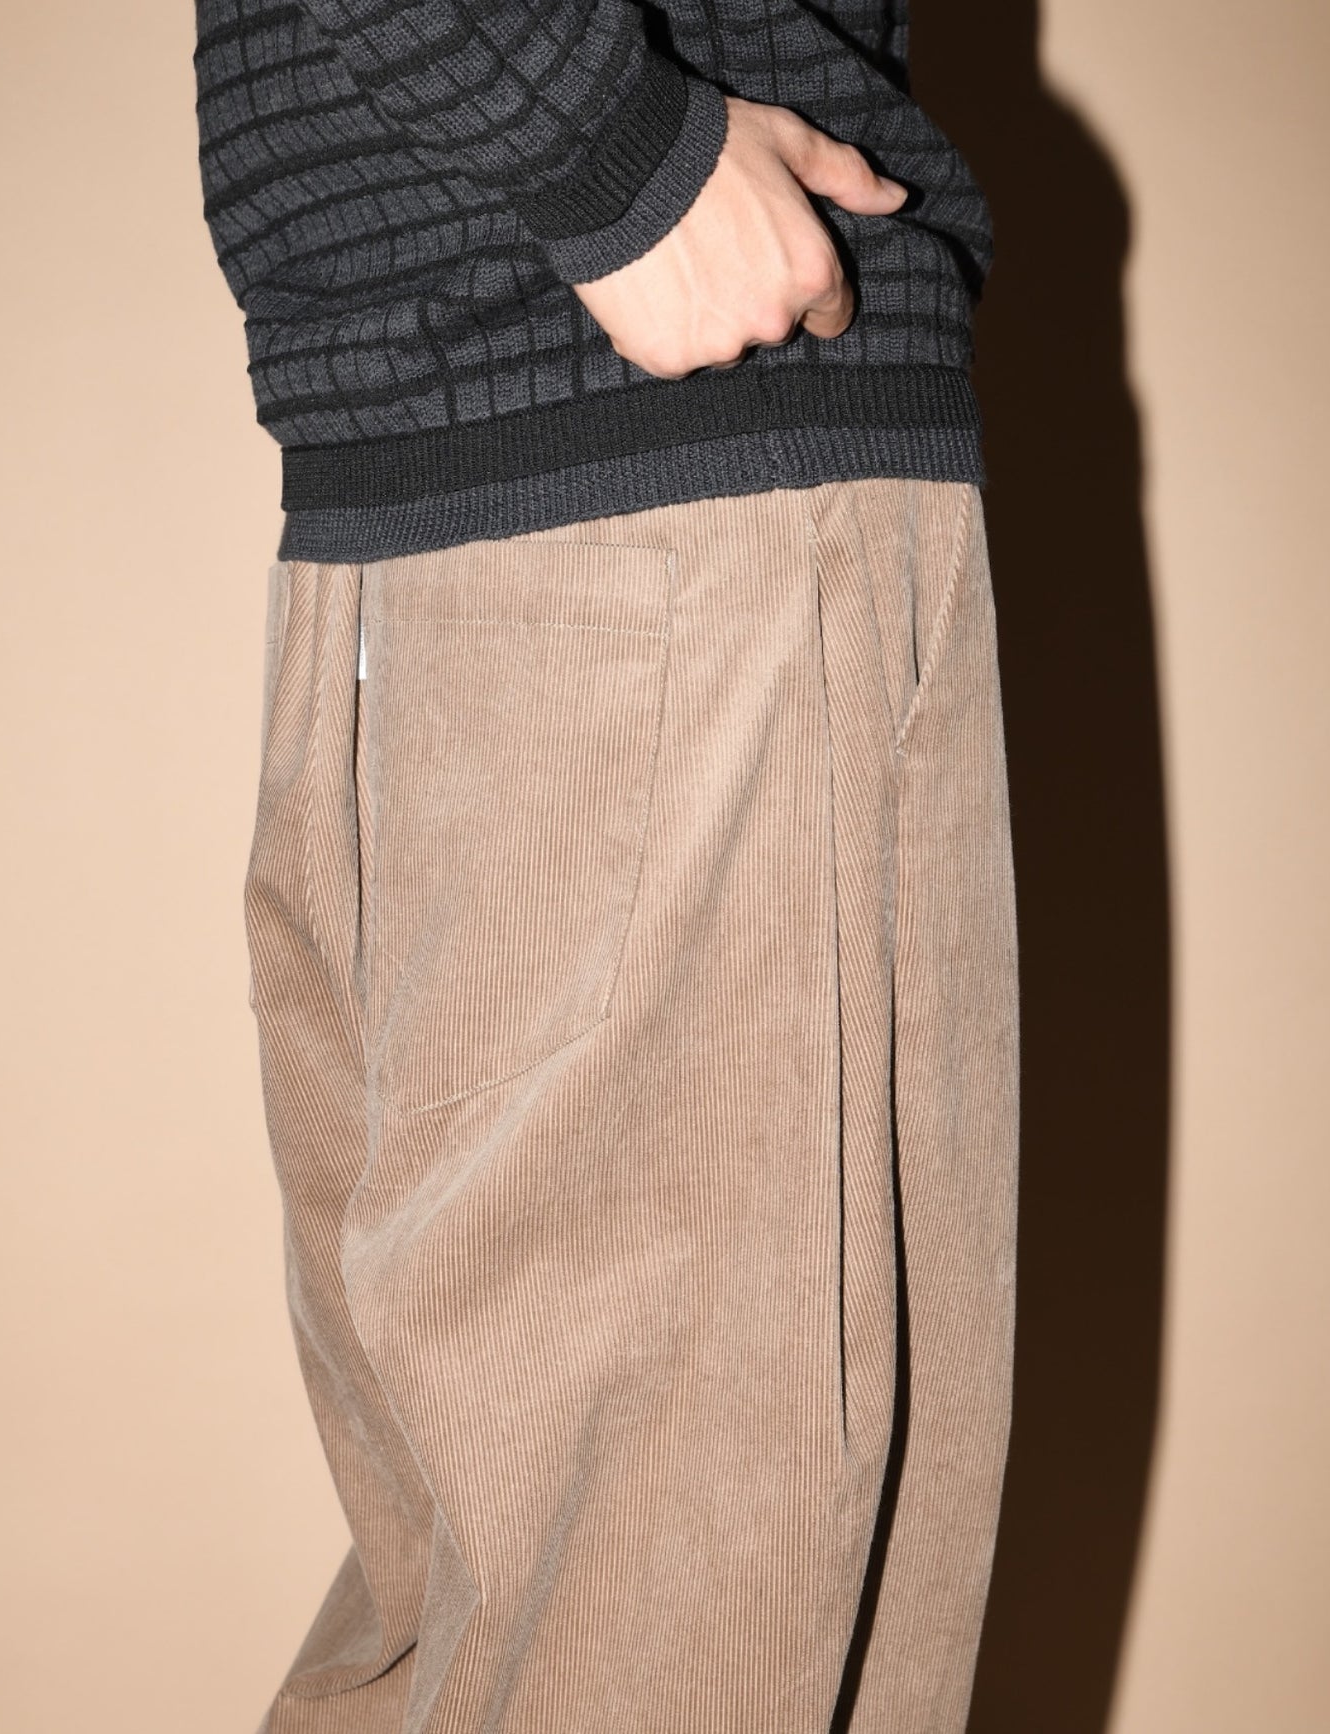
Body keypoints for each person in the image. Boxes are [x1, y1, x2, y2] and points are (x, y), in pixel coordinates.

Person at [193, 1, 1019, 1730]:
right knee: (686, 1615)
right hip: (681, 486)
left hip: (416, 511)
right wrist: (605, 146)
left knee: (462, 1618)